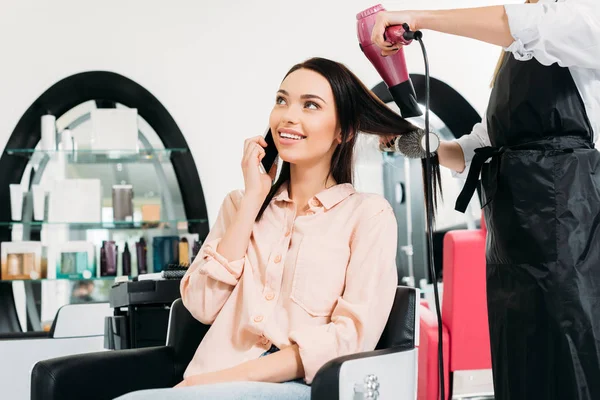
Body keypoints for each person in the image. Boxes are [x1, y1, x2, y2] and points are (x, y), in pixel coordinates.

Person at [114, 57, 423, 400]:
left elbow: (350, 336)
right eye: (281, 100)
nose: (288, 115)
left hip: (296, 388)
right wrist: (252, 200)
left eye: (310, 105)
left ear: (344, 130)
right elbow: (201, 305)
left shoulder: (368, 216)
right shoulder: (238, 205)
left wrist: (229, 379)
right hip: (205, 382)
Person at [372, 1, 600, 399]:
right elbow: (480, 146)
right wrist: (426, 145)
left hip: (567, 231)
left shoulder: (583, 17)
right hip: (509, 241)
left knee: (568, 360)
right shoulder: (512, 54)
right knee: (518, 365)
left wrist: (421, 18)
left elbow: (530, 25)